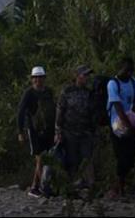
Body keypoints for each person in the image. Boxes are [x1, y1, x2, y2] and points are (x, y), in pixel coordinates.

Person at [55, 65, 97, 190]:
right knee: (71, 160)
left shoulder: (89, 93)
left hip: (85, 132)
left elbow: (93, 113)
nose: (87, 78)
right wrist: (58, 131)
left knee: (87, 158)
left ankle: (90, 185)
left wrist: (94, 131)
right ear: (77, 76)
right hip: (69, 132)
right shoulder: (67, 91)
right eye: (84, 75)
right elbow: (60, 111)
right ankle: (72, 186)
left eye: (88, 75)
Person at [17, 66, 56, 198]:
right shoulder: (28, 93)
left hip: (48, 130)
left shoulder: (49, 92)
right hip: (34, 130)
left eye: (40, 77)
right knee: (40, 158)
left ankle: (35, 187)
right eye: (36, 77)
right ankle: (44, 188)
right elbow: (20, 112)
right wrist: (20, 131)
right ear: (32, 79)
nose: (38, 80)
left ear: (44, 78)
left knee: (46, 158)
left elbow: (53, 110)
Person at [107, 57, 135, 198]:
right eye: (126, 69)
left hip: (130, 121)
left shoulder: (134, 82)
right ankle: (119, 187)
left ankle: (118, 184)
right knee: (121, 156)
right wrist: (128, 125)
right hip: (117, 124)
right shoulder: (113, 84)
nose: (129, 73)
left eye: (131, 70)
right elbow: (117, 106)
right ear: (120, 68)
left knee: (131, 157)